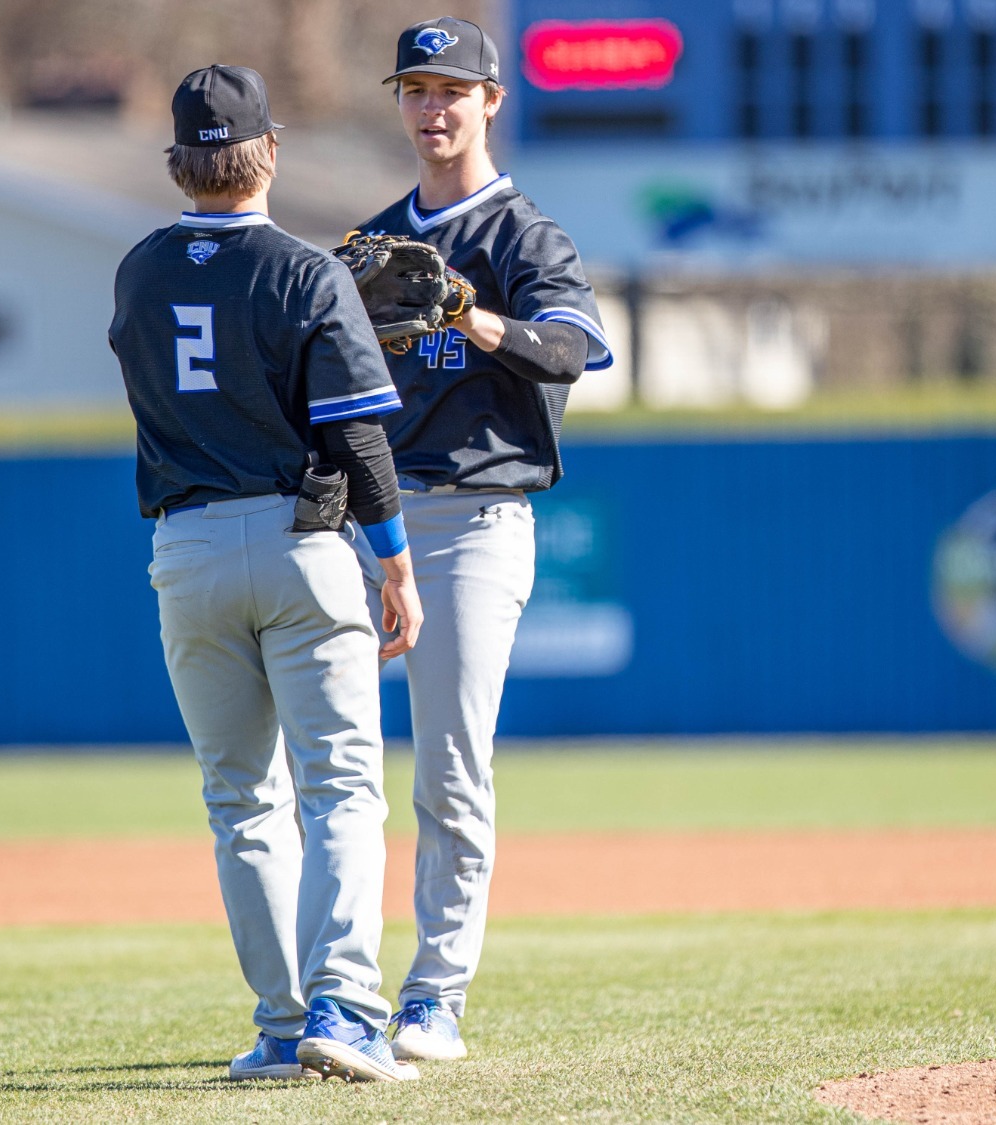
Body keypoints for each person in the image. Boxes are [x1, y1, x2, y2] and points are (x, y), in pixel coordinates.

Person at [108, 64, 424, 1084]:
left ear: (177, 163)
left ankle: (283, 1028)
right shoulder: (301, 271)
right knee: (337, 785)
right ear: (269, 153)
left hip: (186, 547)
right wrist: (395, 564)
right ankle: (345, 1007)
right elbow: (361, 444)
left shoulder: (139, 272)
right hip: (297, 540)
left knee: (239, 797)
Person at [348, 17, 614, 1063]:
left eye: (451, 89)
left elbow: (574, 348)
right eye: (414, 88)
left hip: (468, 521)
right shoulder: (375, 242)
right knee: (333, 767)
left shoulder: (523, 238)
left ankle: (433, 996)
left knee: (447, 771)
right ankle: (329, 999)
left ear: (490, 101)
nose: (432, 107)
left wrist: (473, 321)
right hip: (365, 519)